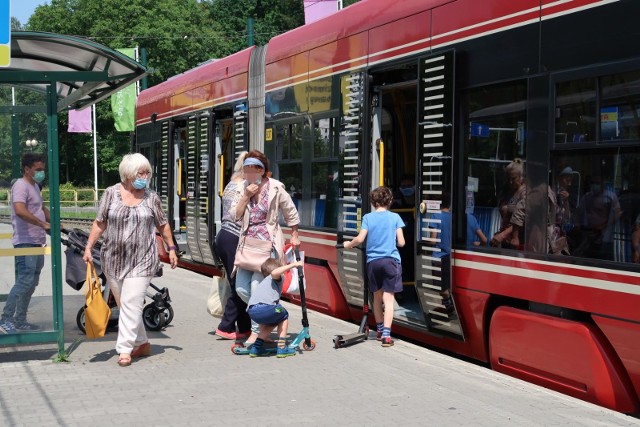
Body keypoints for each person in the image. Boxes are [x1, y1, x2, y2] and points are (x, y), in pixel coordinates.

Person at [82, 153, 178, 367]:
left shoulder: (151, 196)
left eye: (147, 172)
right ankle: (142, 342)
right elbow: (100, 223)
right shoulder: (110, 194)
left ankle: (124, 349)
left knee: (131, 302)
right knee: (126, 305)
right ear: (127, 174)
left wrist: (171, 248)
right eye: (140, 173)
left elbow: (163, 224)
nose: (145, 176)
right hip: (113, 260)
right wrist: (88, 247)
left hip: (143, 259)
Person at [230, 150, 300, 347]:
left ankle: (257, 334)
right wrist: (246, 196)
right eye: (248, 168)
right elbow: (234, 215)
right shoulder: (241, 188)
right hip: (247, 248)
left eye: (255, 168)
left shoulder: (275, 188)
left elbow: (290, 211)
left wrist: (294, 234)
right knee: (242, 289)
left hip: (268, 248)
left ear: (263, 170)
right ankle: (271, 317)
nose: (251, 172)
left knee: (256, 288)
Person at [343, 186, 405, 347]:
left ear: (373, 202)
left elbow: (360, 239)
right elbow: (402, 242)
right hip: (391, 261)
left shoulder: (368, 218)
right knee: (389, 299)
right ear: (390, 200)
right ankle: (386, 335)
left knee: (377, 297)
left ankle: (378, 330)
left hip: (373, 262)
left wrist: (348, 244)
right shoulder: (395, 217)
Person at [0, 153, 50, 334]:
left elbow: (40, 208)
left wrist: (51, 221)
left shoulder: (35, 186)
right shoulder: (21, 186)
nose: (41, 173)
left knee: (32, 282)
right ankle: (6, 318)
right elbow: (20, 210)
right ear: (27, 169)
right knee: (24, 281)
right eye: (38, 170)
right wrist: (42, 223)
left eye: (42, 170)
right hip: (25, 241)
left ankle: (20, 320)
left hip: (37, 241)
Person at [213, 151, 252, 340]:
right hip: (234, 237)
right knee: (240, 284)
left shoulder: (231, 182)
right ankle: (226, 326)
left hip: (224, 237)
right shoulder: (243, 186)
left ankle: (244, 327)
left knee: (238, 282)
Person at [246, 258, 304, 358]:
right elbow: (274, 273)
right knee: (284, 314)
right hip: (266, 308)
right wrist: (294, 264)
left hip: (252, 312)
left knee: (273, 321)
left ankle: (256, 348)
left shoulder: (265, 283)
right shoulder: (274, 278)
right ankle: (281, 347)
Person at [574, 176, 622, 260]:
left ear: (602, 184)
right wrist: (577, 225)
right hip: (589, 235)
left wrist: (604, 226)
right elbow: (578, 212)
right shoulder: (587, 196)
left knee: (603, 260)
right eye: (592, 183)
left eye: (597, 183)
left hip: (605, 236)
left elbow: (618, 214)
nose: (594, 185)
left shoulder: (610, 196)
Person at [491, 159, 526, 249]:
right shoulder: (506, 192)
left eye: (513, 179)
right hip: (504, 240)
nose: (510, 182)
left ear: (521, 177)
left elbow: (524, 220)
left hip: (518, 242)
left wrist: (503, 235)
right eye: (508, 178)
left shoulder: (525, 193)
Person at [431, 196, 454, 315]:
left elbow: (433, 240)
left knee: (441, 286)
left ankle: (448, 305)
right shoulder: (452, 217)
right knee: (448, 282)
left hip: (438, 255)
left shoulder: (435, 216)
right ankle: (447, 305)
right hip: (450, 256)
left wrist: (423, 243)